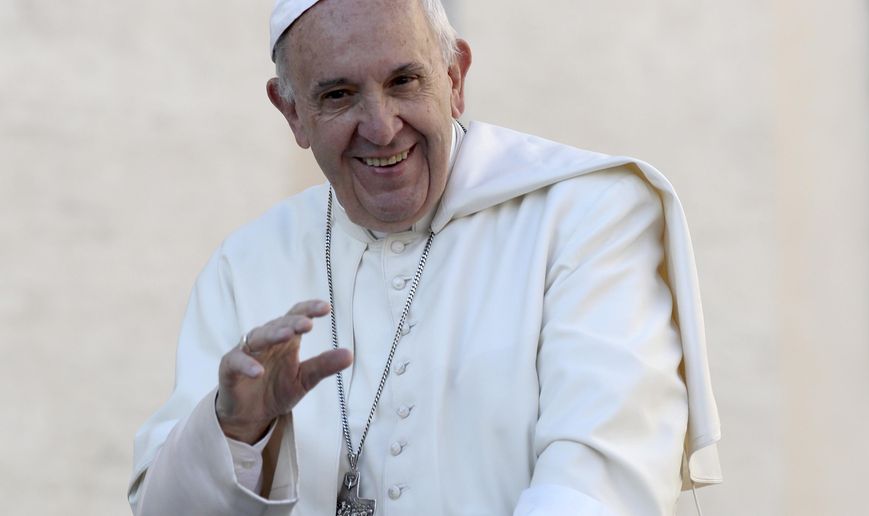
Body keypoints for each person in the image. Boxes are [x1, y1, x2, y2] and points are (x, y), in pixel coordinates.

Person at [128, 0, 722, 514]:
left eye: (404, 81)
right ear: (291, 113)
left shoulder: (588, 218)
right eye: (338, 95)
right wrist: (235, 433)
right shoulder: (246, 266)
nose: (381, 128)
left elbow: (601, 478)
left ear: (455, 77)